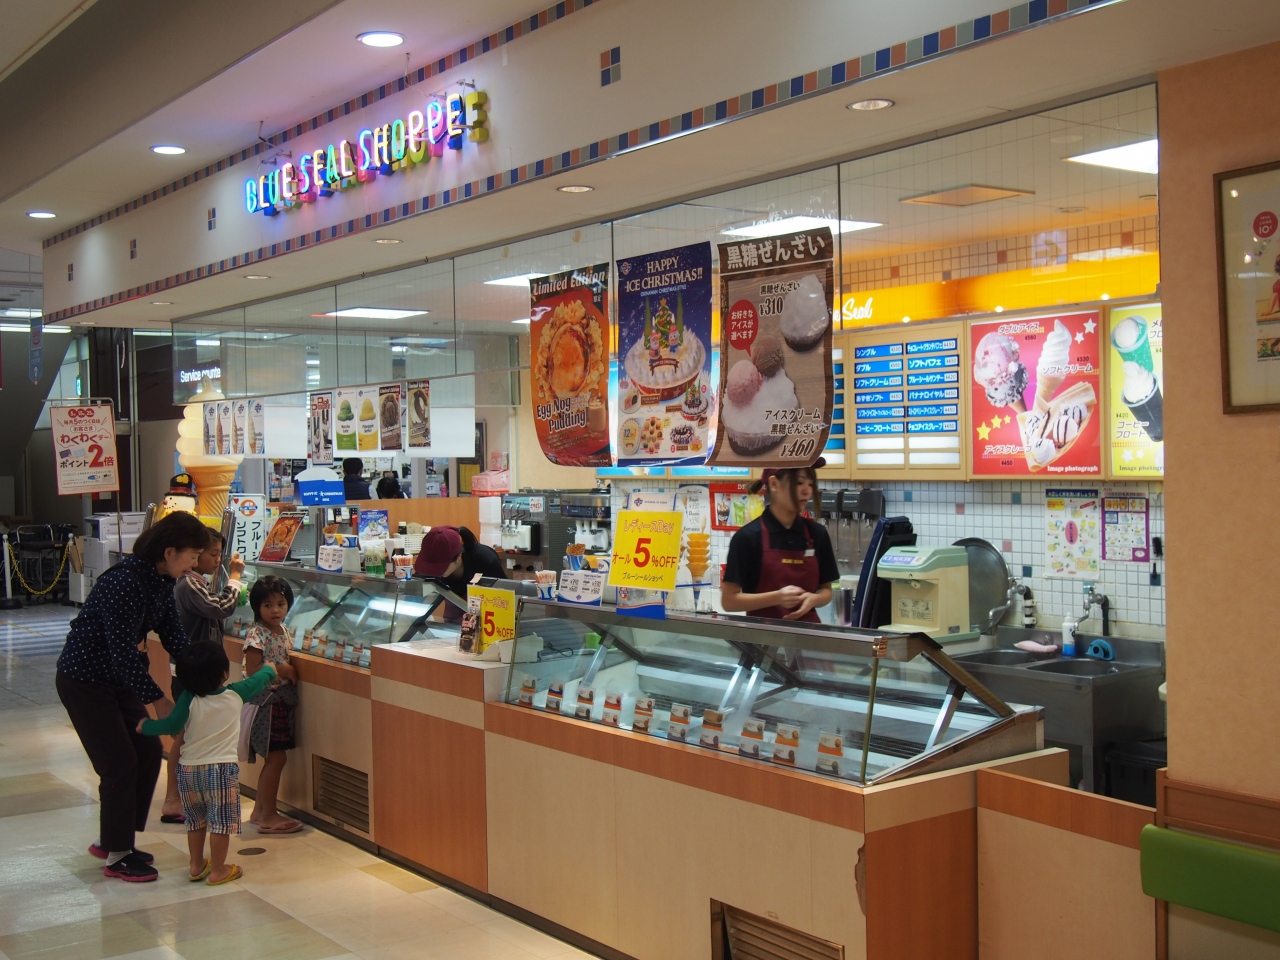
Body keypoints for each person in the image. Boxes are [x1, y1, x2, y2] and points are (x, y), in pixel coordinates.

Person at [55, 511, 210, 882]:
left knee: (146, 751)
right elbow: (122, 651)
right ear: (169, 551)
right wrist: (158, 699)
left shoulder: (161, 581)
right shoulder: (125, 581)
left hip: (117, 679)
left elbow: (174, 635)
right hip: (85, 680)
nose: (194, 563)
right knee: (119, 763)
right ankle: (118, 854)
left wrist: (203, 679)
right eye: (192, 555)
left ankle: (116, 838)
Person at [138, 641, 278, 885]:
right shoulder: (236, 692)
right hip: (222, 770)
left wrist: (146, 726)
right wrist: (270, 668)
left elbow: (172, 725)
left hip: (189, 770)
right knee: (221, 824)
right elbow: (259, 680)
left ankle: (196, 865)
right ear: (224, 673)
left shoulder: (188, 698)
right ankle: (218, 870)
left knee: (196, 820)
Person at [158, 530, 245, 823]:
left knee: (192, 736)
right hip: (192, 674)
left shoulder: (195, 583)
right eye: (212, 554)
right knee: (185, 737)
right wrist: (235, 578)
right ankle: (173, 799)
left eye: (219, 554)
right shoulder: (189, 584)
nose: (217, 560)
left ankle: (188, 797)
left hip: (196, 671)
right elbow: (221, 608)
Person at [720, 461, 839, 623]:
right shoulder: (747, 538)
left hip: (809, 634)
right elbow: (729, 601)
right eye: (799, 483)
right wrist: (777, 597)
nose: (807, 491)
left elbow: (826, 591)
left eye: (810, 484)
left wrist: (813, 599)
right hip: (764, 636)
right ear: (774, 484)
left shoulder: (817, 534)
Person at [241, 575, 302, 834]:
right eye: (268, 605)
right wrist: (282, 668)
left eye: (281, 604)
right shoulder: (257, 635)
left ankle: (259, 810)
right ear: (257, 607)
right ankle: (268, 815)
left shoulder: (282, 630)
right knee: (276, 758)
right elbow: (253, 669)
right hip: (265, 702)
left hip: (277, 701)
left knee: (274, 758)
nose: (275, 610)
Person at [414, 525, 505, 620]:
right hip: (452, 621)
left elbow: (505, 600)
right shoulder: (429, 562)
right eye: (430, 566)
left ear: (458, 556)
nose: (433, 571)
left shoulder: (486, 560)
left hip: (487, 618)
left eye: (440, 566)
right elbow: (415, 598)